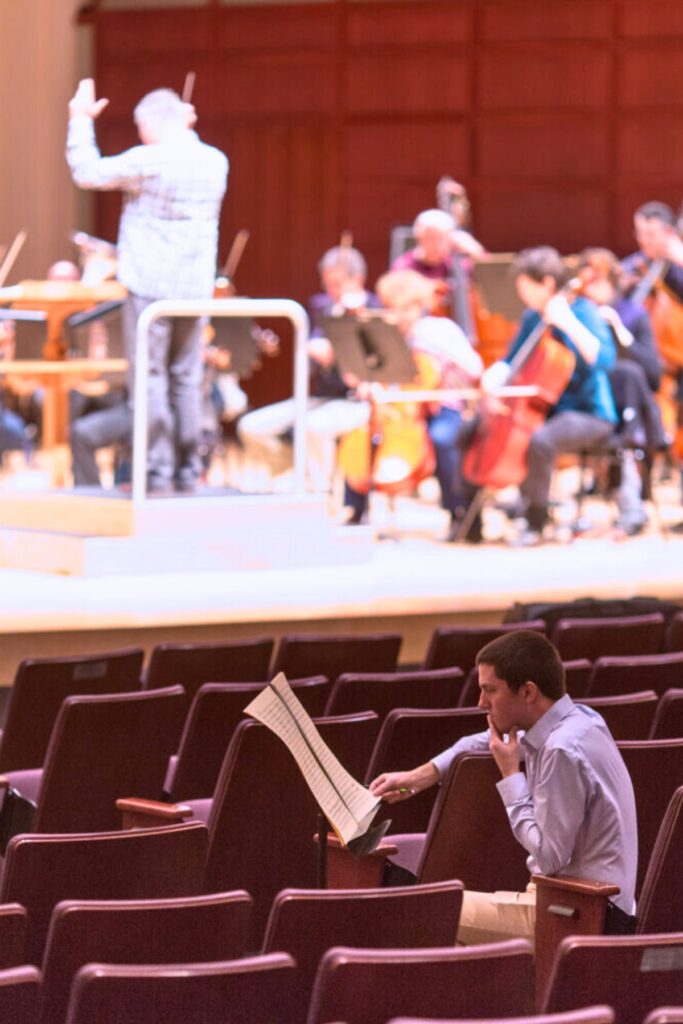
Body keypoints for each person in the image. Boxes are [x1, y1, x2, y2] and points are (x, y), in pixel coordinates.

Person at [369, 629, 638, 945]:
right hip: (575, 902)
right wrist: (419, 777)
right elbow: (480, 742)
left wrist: (511, 776)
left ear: (528, 692)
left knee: (425, 909)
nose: (480, 702)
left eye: (489, 690)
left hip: (581, 911)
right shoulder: (580, 719)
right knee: (444, 928)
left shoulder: (560, 751)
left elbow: (550, 858)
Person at [66, 79, 228, 493]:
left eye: (141, 128)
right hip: (194, 288)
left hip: (150, 286)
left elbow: (87, 172)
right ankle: (187, 470)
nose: (141, 137)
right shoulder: (215, 161)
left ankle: (157, 471)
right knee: (186, 379)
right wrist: (186, 130)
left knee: (151, 379)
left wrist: (80, 118)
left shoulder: (152, 159)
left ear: (154, 124)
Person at [457, 246, 617, 545]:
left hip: (588, 412)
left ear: (546, 283)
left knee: (540, 441)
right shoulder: (533, 317)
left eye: (525, 287)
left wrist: (566, 321)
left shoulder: (583, 311)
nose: (521, 295)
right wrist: (493, 377)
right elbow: (512, 359)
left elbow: (605, 360)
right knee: (469, 431)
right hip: (541, 409)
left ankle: (536, 521)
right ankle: (469, 521)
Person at [341, 269, 482, 530]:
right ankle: (355, 509)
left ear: (419, 305)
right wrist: (367, 384)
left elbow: (475, 367)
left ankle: (457, 512)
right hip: (399, 410)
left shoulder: (439, 329)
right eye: (391, 308)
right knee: (362, 432)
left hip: (442, 406)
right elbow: (365, 374)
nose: (396, 316)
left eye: (403, 309)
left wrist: (441, 350)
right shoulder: (386, 334)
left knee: (441, 439)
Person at [237, 245, 379, 493]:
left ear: (358, 280)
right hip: (321, 399)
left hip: (358, 402)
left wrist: (345, 355)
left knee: (314, 426)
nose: (331, 292)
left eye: (337, 284)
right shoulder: (322, 307)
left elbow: (381, 364)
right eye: (327, 285)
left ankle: (320, 496)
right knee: (251, 427)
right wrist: (316, 352)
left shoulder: (376, 309)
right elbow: (313, 355)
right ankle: (297, 471)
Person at [576, 248, 666, 537]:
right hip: (589, 404)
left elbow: (653, 375)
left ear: (612, 281)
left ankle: (630, 505)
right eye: (585, 282)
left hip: (629, 409)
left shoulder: (633, 314)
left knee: (629, 375)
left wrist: (618, 330)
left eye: (597, 281)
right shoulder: (579, 314)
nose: (590, 288)